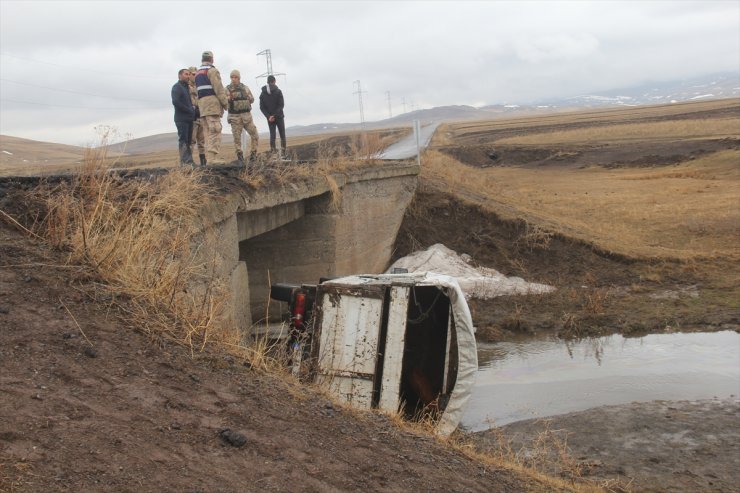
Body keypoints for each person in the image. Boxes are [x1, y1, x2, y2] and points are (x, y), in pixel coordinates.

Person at [194, 51, 228, 165]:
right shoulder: (212, 71)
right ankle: (212, 159)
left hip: (202, 105)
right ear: (212, 59)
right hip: (212, 104)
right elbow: (219, 89)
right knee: (215, 129)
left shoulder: (198, 73)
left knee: (207, 131)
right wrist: (225, 104)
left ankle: (210, 158)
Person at [225, 70, 259, 164]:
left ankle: (253, 155)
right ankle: (240, 158)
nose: (233, 79)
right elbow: (224, 101)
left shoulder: (245, 88)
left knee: (255, 135)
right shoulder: (227, 89)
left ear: (239, 78)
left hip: (247, 117)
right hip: (235, 117)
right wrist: (228, 99)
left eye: (235, 77)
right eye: (232, 77)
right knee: (237, 139)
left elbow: (252, 99)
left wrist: (249, 98)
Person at [171, 68, 195, 166]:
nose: (188, 76)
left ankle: (188, 161)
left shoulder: (186, 88)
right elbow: (175, 102)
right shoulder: (177, 87)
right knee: (183, 140)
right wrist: (189, 110)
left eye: (189, 74)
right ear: (180, 76)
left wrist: (193, 111)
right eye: (186, 74)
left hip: (189, 119)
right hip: (181, 119)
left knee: (188, 141)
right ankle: (185, 162)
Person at [259, 75, 286, 155]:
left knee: (272, 135)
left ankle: (273, 154)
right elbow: (281, 105)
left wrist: (269, 116)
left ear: (267, 82)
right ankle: (284, 154)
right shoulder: (278, 91)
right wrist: (275, 115)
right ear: (274, 81)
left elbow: (262, 107)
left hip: (270, 118)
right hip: (279, 117)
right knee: (282, 135)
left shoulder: (262, 94)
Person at [187, 66, 206, 166]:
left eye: (196, 74)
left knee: (201, 141)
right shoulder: (186, 87)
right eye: (193, 74)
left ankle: (203, 161)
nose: (194, 76)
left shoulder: (199, 86)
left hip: (201, 116)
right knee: (192, 140)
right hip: (193, 117)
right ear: (189, 75)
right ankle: (189, 161)